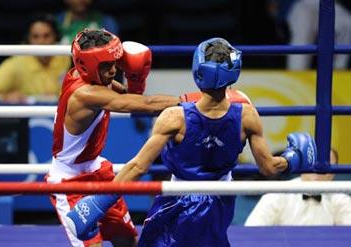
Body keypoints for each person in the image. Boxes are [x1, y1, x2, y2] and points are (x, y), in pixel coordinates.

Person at [65, 37, 319, 246]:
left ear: (198, 73)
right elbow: (269, 168)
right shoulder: (248, 116)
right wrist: (292, 159)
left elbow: (137, 167)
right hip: (222, 200)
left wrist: (97, 204)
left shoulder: (175, 118)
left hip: (179, 197)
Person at [45, 28, 187, 247]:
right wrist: (191, 101)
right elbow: (145, 105)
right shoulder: (86, 94)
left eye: (115, 64)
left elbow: (131, 98)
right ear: (88, 65)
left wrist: (136, 78)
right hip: (69, 181)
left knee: (127, 241)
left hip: (96, 170)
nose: (113, 71)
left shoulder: (93, 78)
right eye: (106, 66)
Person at [245, 148, 351, 226]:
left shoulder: (342, 200)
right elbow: (252, 230)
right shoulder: (277, 193)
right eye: (313, 161)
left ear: (333, 173)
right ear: (303, 165)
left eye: (326, 163)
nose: (318, 169)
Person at [0, 13, 71, 103]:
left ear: (56, 37)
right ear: (28, 39)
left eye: (46, 36)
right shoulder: (18, 63)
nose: (41, 41)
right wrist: (3, 97)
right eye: (35, 37)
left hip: (65, 113)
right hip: (32, 114)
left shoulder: (66, 58)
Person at [287, 0, 351, 70]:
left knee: (347, 23)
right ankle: (296, 73)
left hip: (331, 4)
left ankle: (338, 73)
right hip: (307, 3)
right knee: (304, 30)